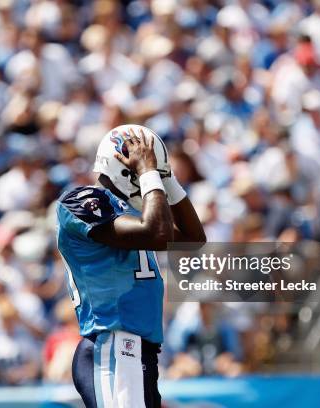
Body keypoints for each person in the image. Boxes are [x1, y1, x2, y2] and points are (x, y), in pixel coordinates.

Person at [56, 125, 205, 408]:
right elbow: (156, 232)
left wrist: (166, 176)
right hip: (113, 344)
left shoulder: (133, 214)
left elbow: (193, 239)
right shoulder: (81, 201)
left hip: (139, 350)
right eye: (142, 170)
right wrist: (149, 173)